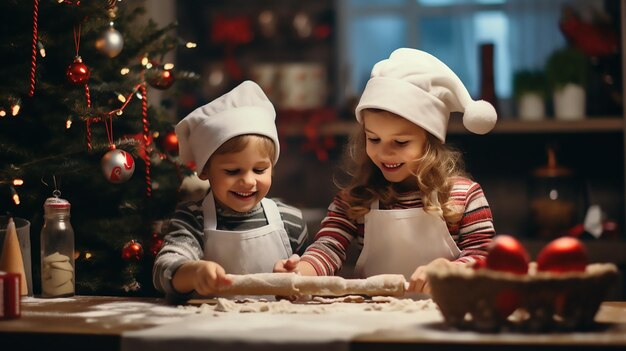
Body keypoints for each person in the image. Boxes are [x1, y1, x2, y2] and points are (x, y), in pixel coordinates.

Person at [275, 48, 497, 294]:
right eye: (374, 139)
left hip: (446, 316)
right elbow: (329, 246)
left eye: (400, 142)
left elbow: (485, 257)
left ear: (430, 142)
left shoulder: (464, 196)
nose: (384, 153)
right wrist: (300, 272)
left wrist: (450, 269)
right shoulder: (356, 200)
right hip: (376, 319)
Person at [154, 80, 309, 301]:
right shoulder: (192, 219)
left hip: (276, 329)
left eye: (259, 169)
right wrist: (194, 273)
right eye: (232, 171)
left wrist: (297, 274)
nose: (248, 181)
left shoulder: (291, 221)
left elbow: (311, 281)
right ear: (205, 170)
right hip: (210, 329)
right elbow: (164, 270)